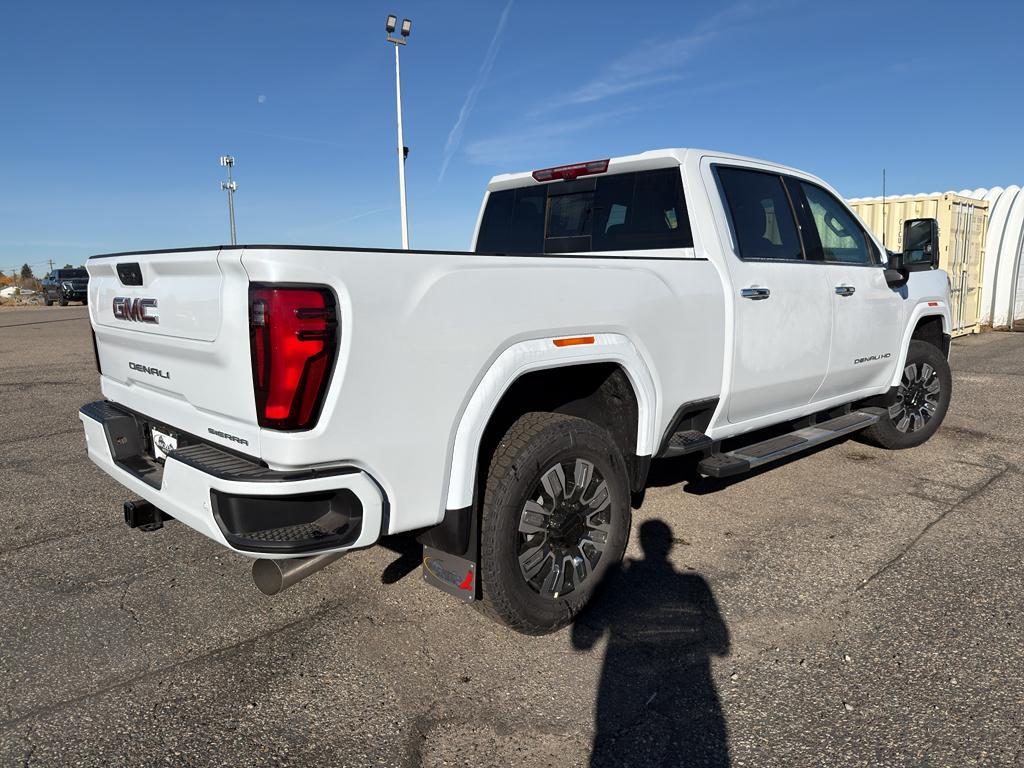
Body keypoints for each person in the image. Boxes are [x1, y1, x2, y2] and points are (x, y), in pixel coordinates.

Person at [572, 519, 731, 767]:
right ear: (669, 546)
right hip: (684, 685)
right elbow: (721, 645)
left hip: (624, 682)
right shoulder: (695, 584)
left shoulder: (621, 578)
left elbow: (582, 640)